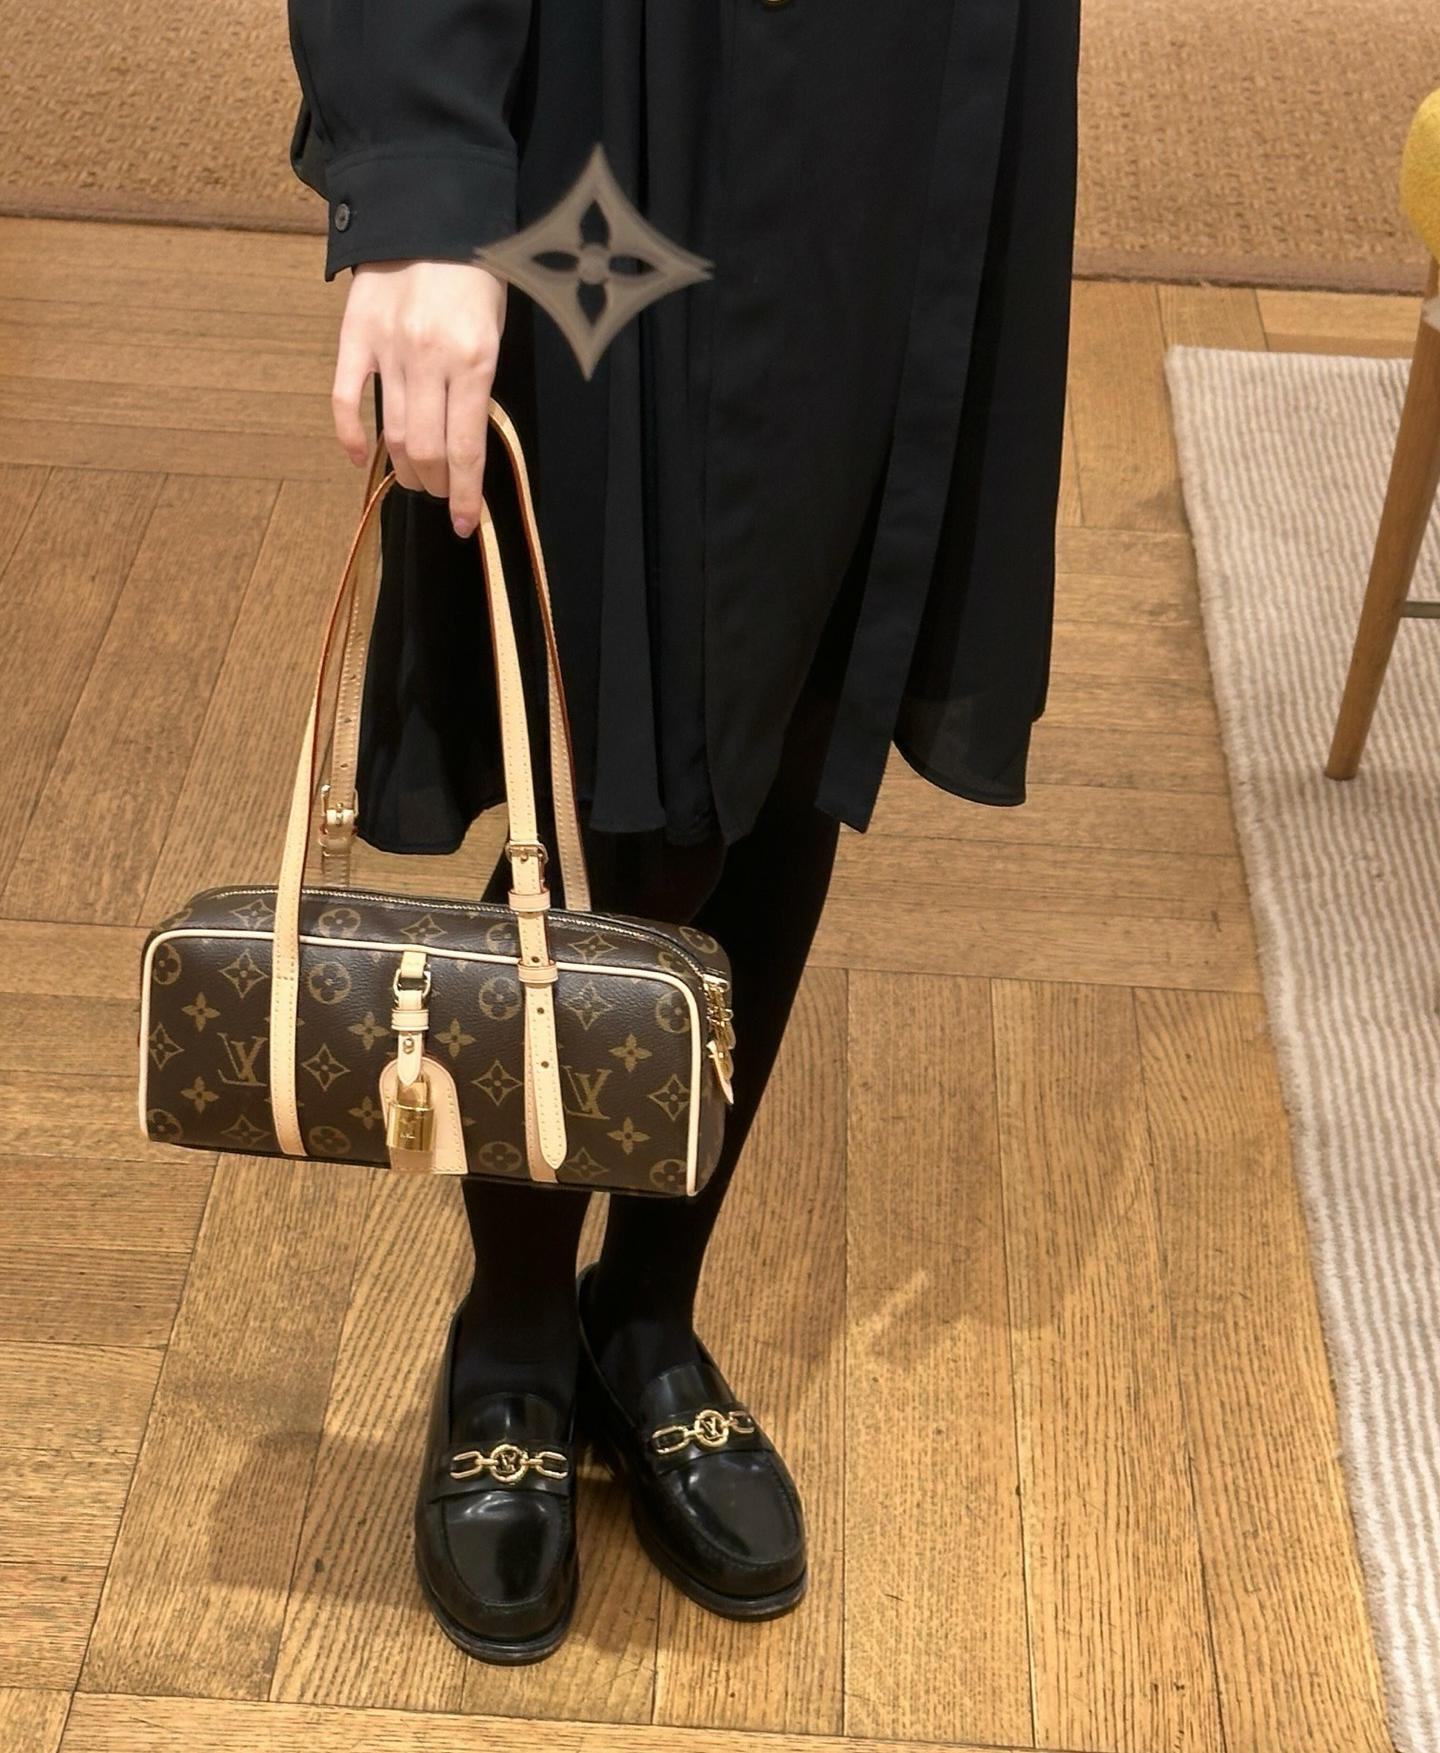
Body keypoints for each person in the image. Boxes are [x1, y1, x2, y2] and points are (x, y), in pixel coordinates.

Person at [286, 0, 1080, 1664]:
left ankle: (644, 1306)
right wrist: (420, 169)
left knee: (804, 684)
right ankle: (514, 1332)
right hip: (630, 89)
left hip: (911, 70)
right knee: (610, 720)